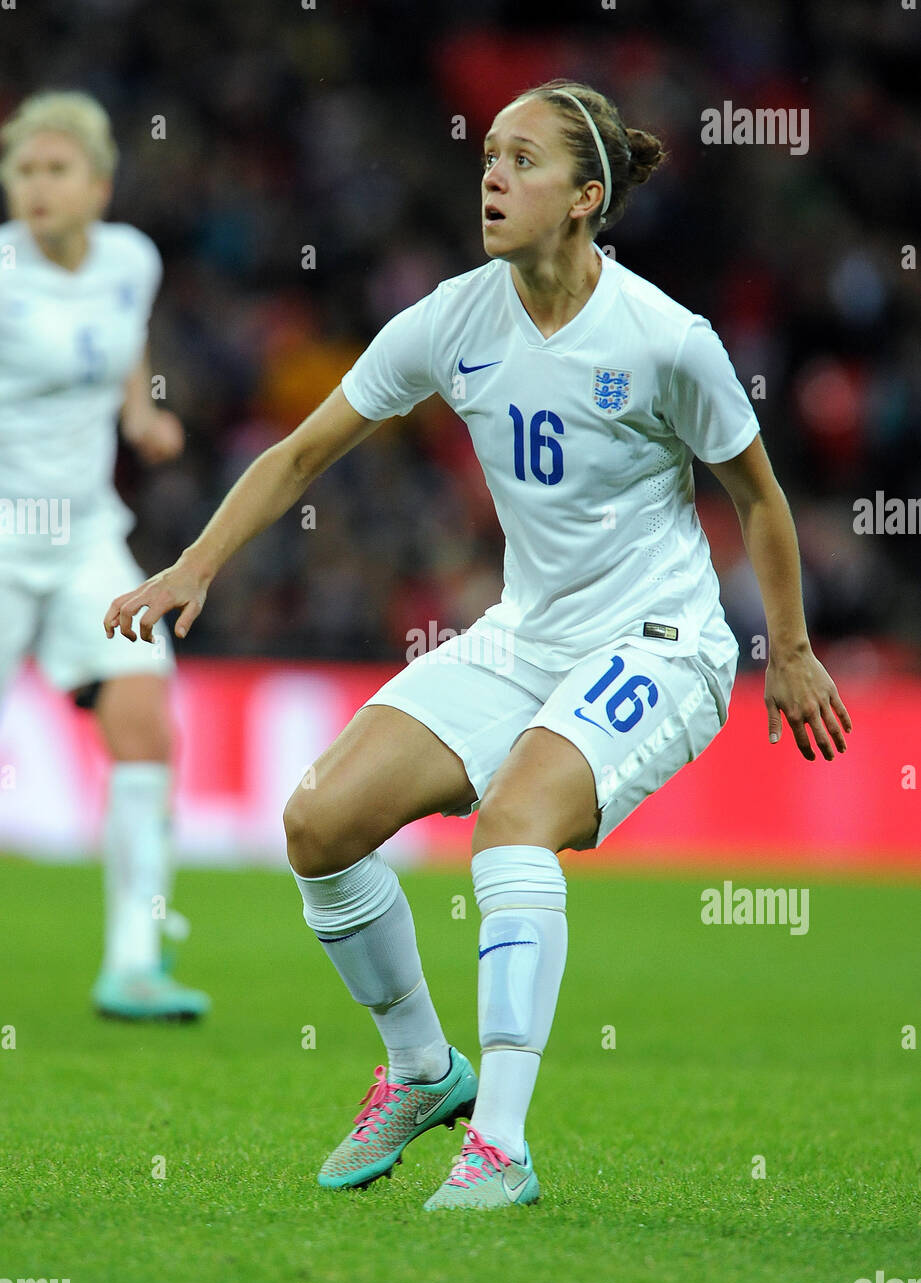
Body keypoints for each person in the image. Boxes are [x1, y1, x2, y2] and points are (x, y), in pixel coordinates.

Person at [105, 79, 851, 1207]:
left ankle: (499, 1144)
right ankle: (421, 1071)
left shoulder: (666, 340)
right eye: (489, 155)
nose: (492, 177)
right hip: (526, 635)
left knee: (512, 825)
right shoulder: (454, 317)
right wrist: (194, 563)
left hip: (662, 642)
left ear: (586, 197)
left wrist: (785, 648)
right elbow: (303, 454)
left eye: (523, 161)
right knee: (318, 823)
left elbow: (757, 496)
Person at [0, 91, 208, 1020]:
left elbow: (123, 338)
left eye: (53, 171)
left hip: (86, 531)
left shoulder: (132, 259)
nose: (34, 188)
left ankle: (133, 964)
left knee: (144, 715)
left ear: (99, 183)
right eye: (21, 171)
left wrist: (138, 412)